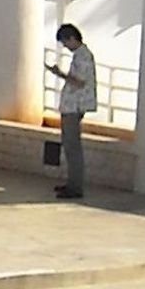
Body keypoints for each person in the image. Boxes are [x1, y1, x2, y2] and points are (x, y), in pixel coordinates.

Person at [51, 23, 98, 202]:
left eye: (65, 42)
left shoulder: (83, 56)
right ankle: (71, 182)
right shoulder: (80, 56)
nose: (65, 46)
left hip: (75, 107)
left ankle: (75, 186)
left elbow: (79, 82)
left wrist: (60, 74)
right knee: (69, 146)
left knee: (73, 147)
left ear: (72, 38)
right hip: (71, 106)